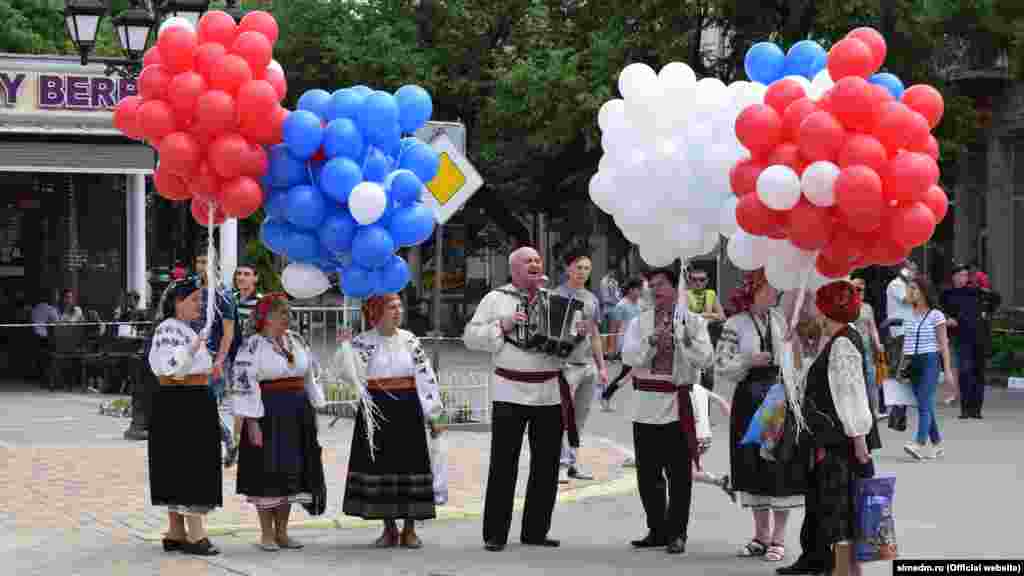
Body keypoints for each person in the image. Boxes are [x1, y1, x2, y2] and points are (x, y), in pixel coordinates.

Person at [463, 246, 565, 552]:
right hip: (509, 391)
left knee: (547, 466)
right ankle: (495, 533)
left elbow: (568, 346)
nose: (535, 264)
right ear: (514, 269)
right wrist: (502, 324)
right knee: (504, 464)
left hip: (548, 392)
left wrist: (578, 333)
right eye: (528, 261)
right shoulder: (496, 299)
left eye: (537, 260)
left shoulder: (554, 301)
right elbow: (470, 337)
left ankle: (536, 531)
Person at [779, 280, 875, 576]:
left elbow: (851, 393)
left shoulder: (843, 342)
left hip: (839, 441)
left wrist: (859, 439)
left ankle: (845, 570)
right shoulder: (838, 337)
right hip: (830, 437)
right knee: (823, 503)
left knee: (839, 509)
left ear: (824, 310)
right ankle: (819, 561)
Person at [336, 293, 445, 549]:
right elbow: (350, 374)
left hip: (408, 410)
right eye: (390, 307)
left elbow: (426, 377)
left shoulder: (410, 340)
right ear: (376, 311)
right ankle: (388, 529)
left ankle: (410, 529)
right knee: (380, 468)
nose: (397, 312)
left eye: (399, 307)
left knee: (411, 467)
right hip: (376, 411)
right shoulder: (364, 342)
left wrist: (435, 413)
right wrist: (344, 347)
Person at [621, 266, 713, 554]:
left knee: (679, 475)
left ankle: (677, 533)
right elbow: (628, 356)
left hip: (676, 404)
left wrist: (683, 342)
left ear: (676, 288)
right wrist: (651, 342)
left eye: (661, 284)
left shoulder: (694, 321)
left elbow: (706, 359)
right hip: (645, 404)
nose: (656, 290)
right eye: (652, 285)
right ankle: (657, 529)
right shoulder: (639, 322)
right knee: (647, 475)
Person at [716, 269, 805, 564]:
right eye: (767, 289)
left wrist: (793, 348)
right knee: (752, 465)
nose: (773, 293)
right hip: (750, 398)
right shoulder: (735, 324)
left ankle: (778, 539)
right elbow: (721, 364)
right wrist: (747, 360)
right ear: (752, 291)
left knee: (779, 465)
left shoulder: (780, 320)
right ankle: (760, 536)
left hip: (779, 397)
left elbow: (795, 360)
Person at [232, 293, 327, 551]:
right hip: (268, 413)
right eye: (281, 313)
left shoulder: (295, 341)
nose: (287, 317)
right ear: (267, 317)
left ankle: (283, 532)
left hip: (297, 412)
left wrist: (314, 410)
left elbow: (310, 375)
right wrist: (251, 422)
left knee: (290, 472)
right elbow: (244, 384)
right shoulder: (252, 346)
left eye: (287, 312)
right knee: (267, 471)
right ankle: (266, 534)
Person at [147, 278, 222, 556]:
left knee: (178, 464)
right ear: (178, 303)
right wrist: (192, 349)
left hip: (189, 400)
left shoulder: (185, 330)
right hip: (181, 401)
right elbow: (170, 368)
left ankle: (177, 531)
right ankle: (195, 534)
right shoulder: (169, 329)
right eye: (193, 300)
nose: (199, 305)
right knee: (190, 463)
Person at [555, 250, 609, 482]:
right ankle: (558, 465)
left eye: (587, 268)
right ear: (568, 269)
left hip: (587, 366)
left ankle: (573, 464)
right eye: (579, 267)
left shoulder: (591, 299)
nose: (583, 272)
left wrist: (602, 366)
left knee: (580, 418)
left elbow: (595, 335)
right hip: (565, 365)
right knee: (561, 418)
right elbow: (551, 333)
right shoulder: (555, 295)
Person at [190, 253, 238, 464]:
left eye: (205, 262)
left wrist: (219, 361)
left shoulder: (223, 295)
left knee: (204, 408)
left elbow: (228, 333)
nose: (201, 266)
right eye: (199, 262)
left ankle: (226, 441)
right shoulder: (191, 291)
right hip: (191, 358)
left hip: (212, 360)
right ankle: (228, 441)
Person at [902, 275, 953, 460]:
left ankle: (919, 442)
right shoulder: (908, 314)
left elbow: (943, 344)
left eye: (914, 288)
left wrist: (947, 371)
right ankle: (937, 443)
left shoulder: (936, 315)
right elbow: (906, 343)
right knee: (925, 404)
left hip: (930, 360)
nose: (911, 292)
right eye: (910, 288)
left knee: (924, 401)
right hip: (912, 361)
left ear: (924, 292)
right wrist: (902, 367)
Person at [942, 263, 1001, 419]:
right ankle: (965, 409)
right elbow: (938, 310)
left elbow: (996, 298)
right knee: (965, 372)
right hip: (961, 337)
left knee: (978, 373)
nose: (963, 278)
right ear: (953, 277)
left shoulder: (974, 291)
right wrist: (947, 319)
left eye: (965, 275)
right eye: (960, 275)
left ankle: (976, 410)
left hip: (979, 336)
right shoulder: (947, 294)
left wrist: (987, 312)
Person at [226, 262, 263, 467]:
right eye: (238, 274)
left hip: (257, 358)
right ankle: (237, 444)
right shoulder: (230, 299)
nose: (241, 277)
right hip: (236, 359)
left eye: (247, 274)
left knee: (255, 402)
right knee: (239, 402)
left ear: (255, 278)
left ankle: (252, 445)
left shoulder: (261, 302)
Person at [601, 275, 645, 411]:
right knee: (631, 372)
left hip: (639, 342)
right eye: (639, 289)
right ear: (631, 290)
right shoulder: (621, 305)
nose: (641, 292)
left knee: (632, 372)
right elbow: (614, 328)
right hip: (627, 344)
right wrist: (613, 347)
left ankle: (606, 396)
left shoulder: (640, 303)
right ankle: (606, 396)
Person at [884, 261, 916, 423]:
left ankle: (899, 411)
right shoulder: (896, 285)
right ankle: (896, 412)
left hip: (908, 331)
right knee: (899, 370)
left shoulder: (906, 285)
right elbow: (907, 300)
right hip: (899, 332)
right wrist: (914, 285)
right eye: (911, 269)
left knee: (904, 371)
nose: (913, 272)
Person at [851, 277, 884, 417]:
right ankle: (857, 411)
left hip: (867, 348)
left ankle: (874, 410)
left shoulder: (867, 307)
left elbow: (872, 327)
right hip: (852, 346)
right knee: (854, 379)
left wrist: (877, 343)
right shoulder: (847, 307)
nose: (861, 292)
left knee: (871, 379)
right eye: (857, 289)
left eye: (862, 289)